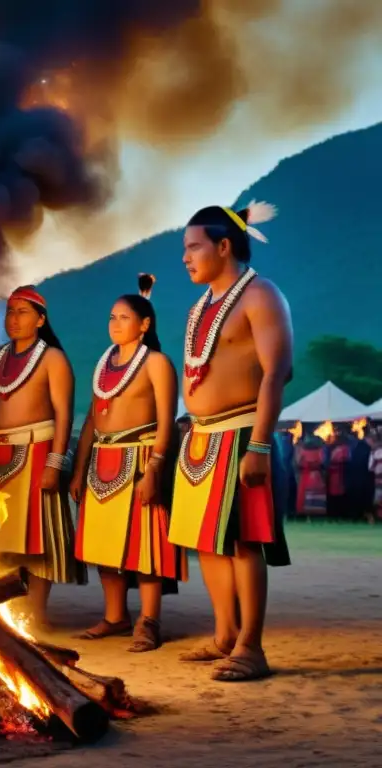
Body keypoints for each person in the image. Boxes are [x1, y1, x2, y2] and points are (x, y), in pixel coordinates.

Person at [169, 201, 292, 682]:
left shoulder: (261, 294)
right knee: (210, 545)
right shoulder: (200, 307)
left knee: (244, 543)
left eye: (193, 246)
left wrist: (260, 445)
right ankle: (224, 635)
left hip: (243, 433)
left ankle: (250, 646)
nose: (185, 257)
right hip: (200, 437)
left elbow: (277, 371)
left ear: (224, 246)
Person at [69, 274, 186, 653]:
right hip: (101, 460)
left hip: (141, 458)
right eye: (111, 318)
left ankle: (148, 620)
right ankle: (115, 616)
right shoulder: (104, 365)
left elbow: (167, 420)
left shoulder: (157, 363)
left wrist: (155, 469)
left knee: (145, 547)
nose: (114, 324)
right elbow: (91, 419)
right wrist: (78, 467)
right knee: (105, 546)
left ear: (144, 324)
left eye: (123, 317)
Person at [0, 285, 87, 634]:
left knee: (39, 542)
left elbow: (64, 415)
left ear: (40, 319)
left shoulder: (53, 358)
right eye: (10, 311)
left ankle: (36, 615)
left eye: (23, 312)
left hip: (38, 453)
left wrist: (55, 463)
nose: (14, 318)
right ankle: (5, 615)